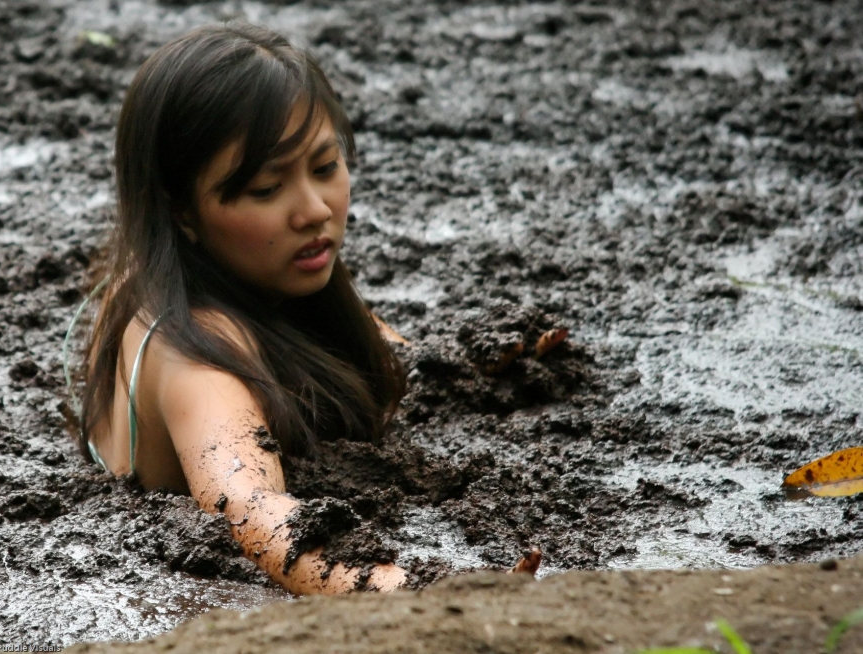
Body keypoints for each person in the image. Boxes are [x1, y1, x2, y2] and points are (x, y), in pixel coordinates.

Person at [71, 22, 540, 596]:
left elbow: (404, 358)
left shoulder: (241, 270)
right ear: (182, 214)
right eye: (267, 189)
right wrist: (423, 593)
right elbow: (246, 510)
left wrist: (493, 368)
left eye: (324, 167)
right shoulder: (197, 349)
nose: (314, 209)